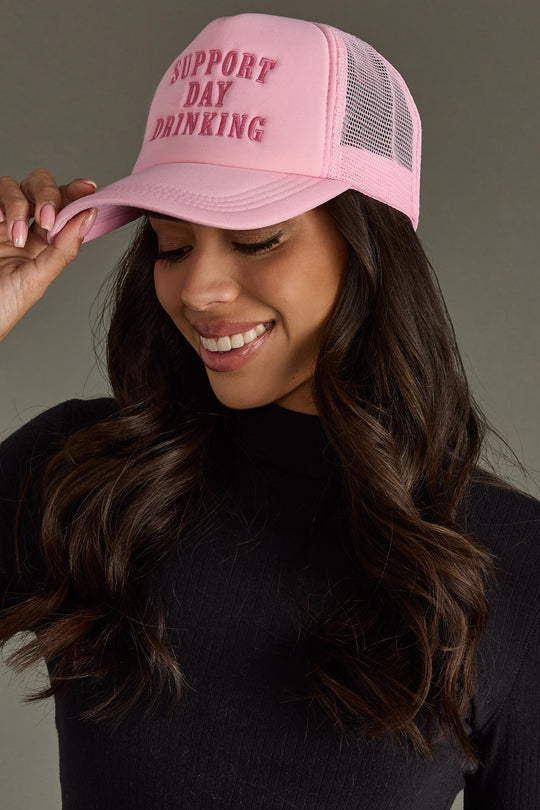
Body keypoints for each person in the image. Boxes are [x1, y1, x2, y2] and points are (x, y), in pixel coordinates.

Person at [0, 12, 539, 809]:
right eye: (172, 245)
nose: (197, 289)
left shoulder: (509, 564)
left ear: (367, 244)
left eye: (255, 238)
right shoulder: (85, 477)